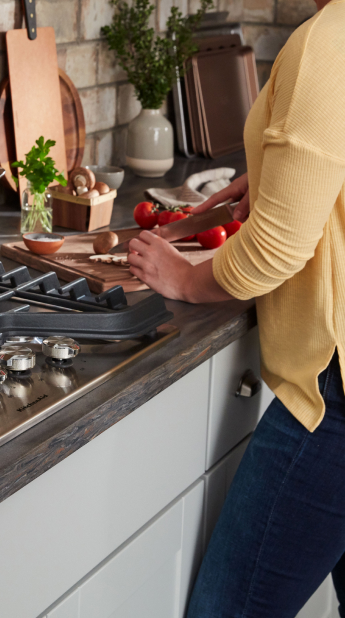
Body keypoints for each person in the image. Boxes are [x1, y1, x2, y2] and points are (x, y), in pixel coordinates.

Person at [127, 0, 345, 615]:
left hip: (333, 401)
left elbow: (277, 249)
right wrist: (283, 179)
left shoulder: (327, 44)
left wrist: (187, 281)